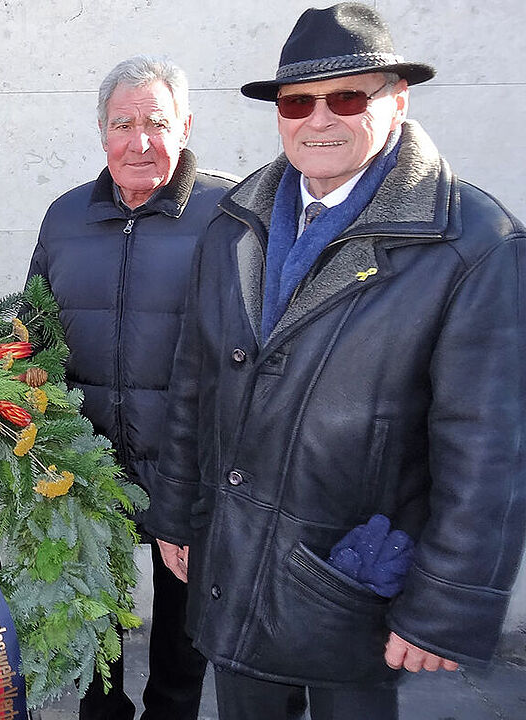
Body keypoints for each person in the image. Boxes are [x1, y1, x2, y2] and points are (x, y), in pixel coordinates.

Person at [145, 5, 525, 719]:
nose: (320, 119)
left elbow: (489, 447)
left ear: (397, 102)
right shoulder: (236, 221)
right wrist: (176, 517)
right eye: (298, 101)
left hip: (354, 580)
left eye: (348, 97)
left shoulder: (473, 243)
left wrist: (444, 604)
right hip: (234, 560)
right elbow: (194, 381)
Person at [27, 55, 233, 720]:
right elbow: (33, 336)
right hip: (89, 478)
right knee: (95, 650)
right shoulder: (64, 218)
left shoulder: (232, 215)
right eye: (123, 123)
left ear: (186, 125)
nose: (138, 141)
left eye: (156, 122)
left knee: (182, 648)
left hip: (190, 473)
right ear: (100, 130)